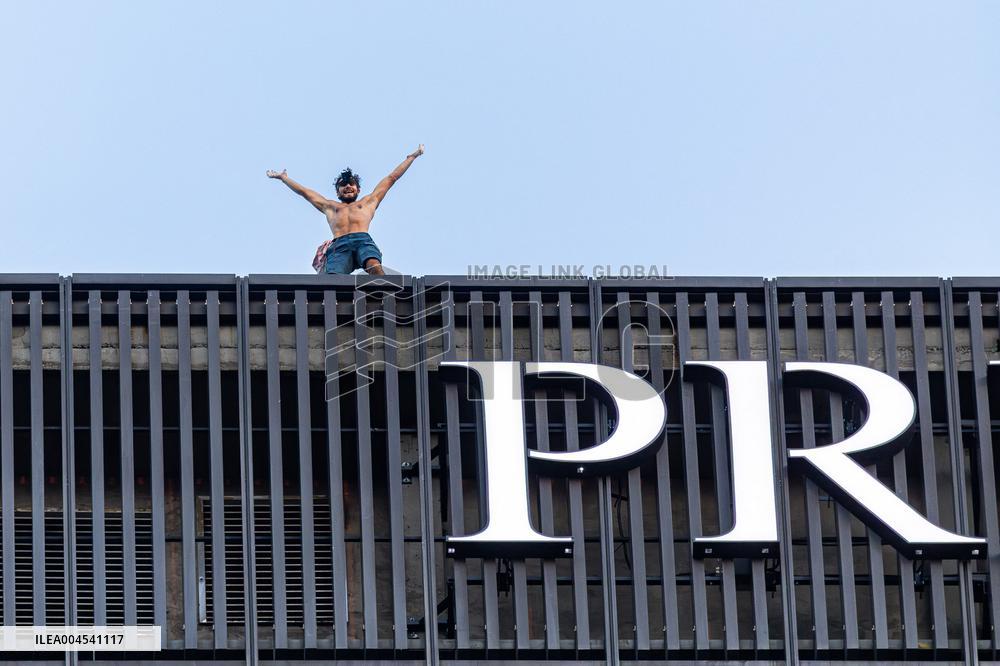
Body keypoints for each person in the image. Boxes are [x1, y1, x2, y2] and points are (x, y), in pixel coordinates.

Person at [267, 145, 424, 275]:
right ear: (338, 191)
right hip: (339, 244)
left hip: (363, 239)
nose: (348, 186)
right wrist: (284, 178)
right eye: (343, 184)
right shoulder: (330, 207)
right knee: (333, 279)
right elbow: (305, 193)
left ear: (358, 189)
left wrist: (412, 157)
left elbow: (391, 178)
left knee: (374, 266)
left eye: (351, 183)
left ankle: (385, 297)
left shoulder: (368, 201)